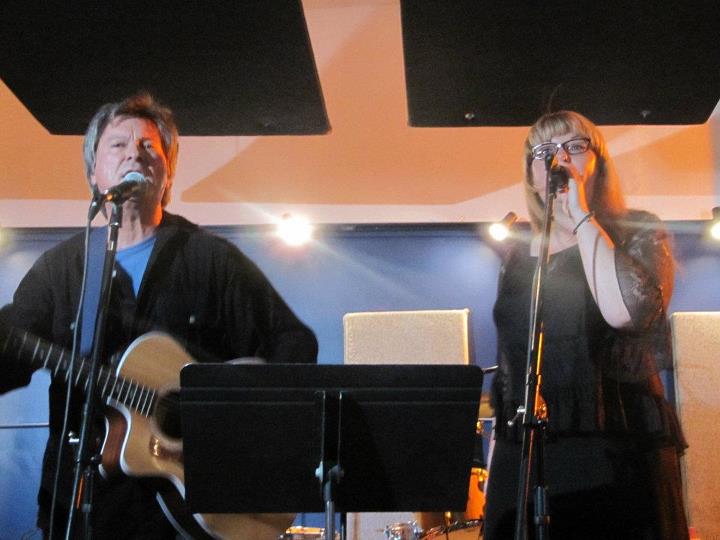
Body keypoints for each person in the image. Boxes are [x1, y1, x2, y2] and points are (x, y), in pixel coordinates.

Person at [0, 93, 318, 538]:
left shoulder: (212, 259)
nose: (134, 153)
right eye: (118, 145)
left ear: (167, 173)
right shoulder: (59, 271)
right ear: (94, 174)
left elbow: (293, 346)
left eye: (149, 146)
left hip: (191, 509)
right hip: (83, 507)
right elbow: (10, 360)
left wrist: (226, 421)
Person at [484, 111, 688, 539]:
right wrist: (497, 464)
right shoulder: (518, 256)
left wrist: (580, 216)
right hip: (525, 450)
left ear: (598, 162)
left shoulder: (634, 232)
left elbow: (625, 313)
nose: (559, 158)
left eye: (574, 146)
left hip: (610, 446)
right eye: (544, 151)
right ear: (532, 175)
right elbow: (510, 366)